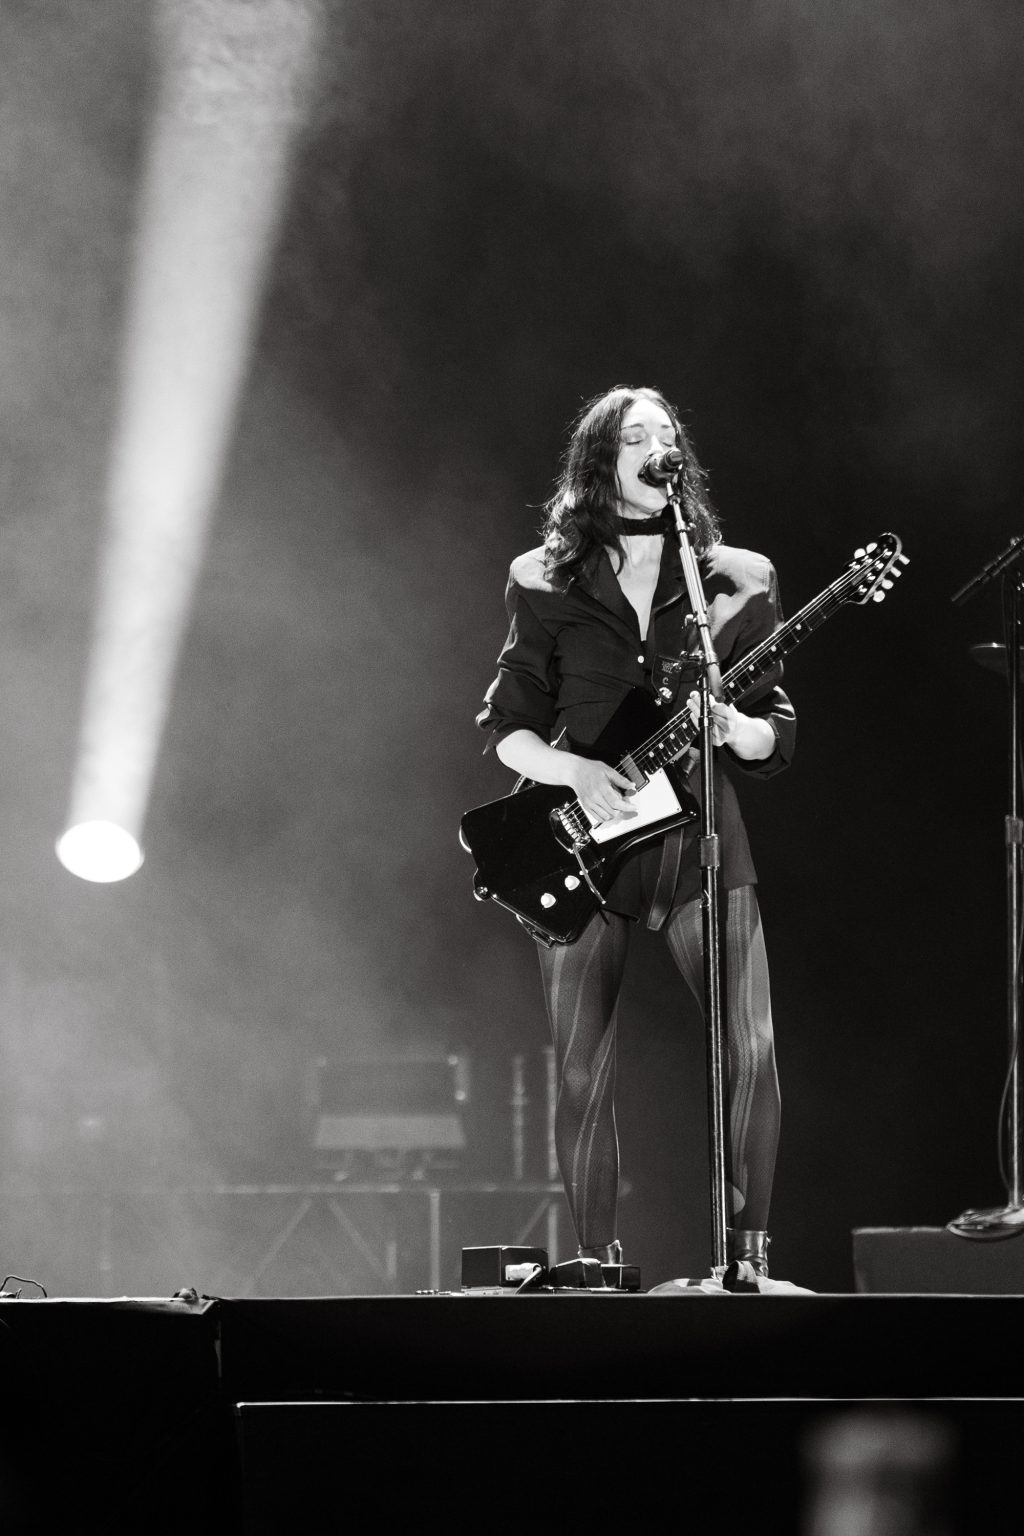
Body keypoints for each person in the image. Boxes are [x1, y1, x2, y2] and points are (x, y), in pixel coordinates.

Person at [476, 385, 796, 1281]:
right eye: (635, 435)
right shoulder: (543, 577)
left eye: (667, 434)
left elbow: (775, 723)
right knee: (582, 1069)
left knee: (754, 1046)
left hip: (701, 835)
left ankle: (748, 1258)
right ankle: (596, 1266)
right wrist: (575, 770)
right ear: (600, 461)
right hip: (587, 839)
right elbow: (509, 725)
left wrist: (743, 731)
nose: (657, 445)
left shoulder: (739, 578)